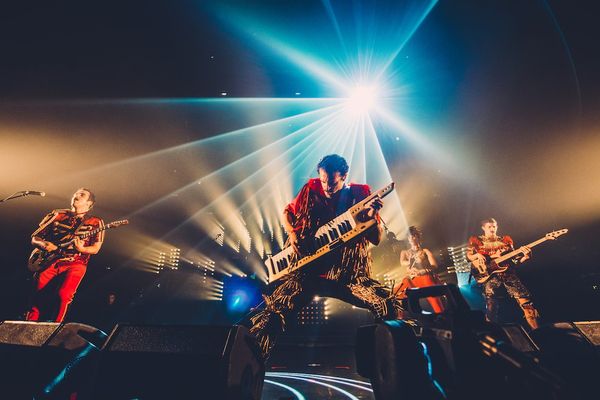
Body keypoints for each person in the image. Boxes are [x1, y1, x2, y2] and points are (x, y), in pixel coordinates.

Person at [250, 154, 401, 358]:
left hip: (348, 277)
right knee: (272, 314)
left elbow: (375, 239)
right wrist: (293, 234)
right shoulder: (311, 189)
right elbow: (288, 212)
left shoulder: (360, 193)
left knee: (387, 304)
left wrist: (371, 217)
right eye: (323, 180)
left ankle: (391, 362)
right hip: (309, 275)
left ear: (344, 176)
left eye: (331, 182)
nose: (326, 187)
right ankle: (249, 362)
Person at [26, 188, 104, 322]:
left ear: (89, 203)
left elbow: (96, 248)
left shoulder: (96, 222)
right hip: (49, 260)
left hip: (76, 263)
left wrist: (82, 248)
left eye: (82, 194)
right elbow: (35, 237)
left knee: (64, 295)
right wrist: (45, 246)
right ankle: (28, 326)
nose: (76, 195)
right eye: (76, 193)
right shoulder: (57, 214)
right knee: (37, 293)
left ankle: (55, 328)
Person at [466, 218, 539, 329]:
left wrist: (525, 257)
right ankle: (491, 332)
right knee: (492, 305)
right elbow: (469, 256)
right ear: (483, 228)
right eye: (489, 226)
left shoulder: (505, 240)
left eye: (494, 226)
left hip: (507, 273)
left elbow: (514, 260)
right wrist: (477, 255)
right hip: (489, 274)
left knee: (526, 303)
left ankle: (537, 331)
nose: (492, 228)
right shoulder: (476, 240)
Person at [394, 226, 444, 314]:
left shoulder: (425, 251)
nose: (411, 238)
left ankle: (440, 313)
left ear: (417, 237)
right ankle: (403, 317)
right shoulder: (405, 252)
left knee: (428, 282)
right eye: (409, 237)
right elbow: (402, 262)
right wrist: (410, 261)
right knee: (398, 290)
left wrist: (423, 271)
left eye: (413, 236)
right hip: (412, 279)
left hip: (424, 278)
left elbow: (434, 265)